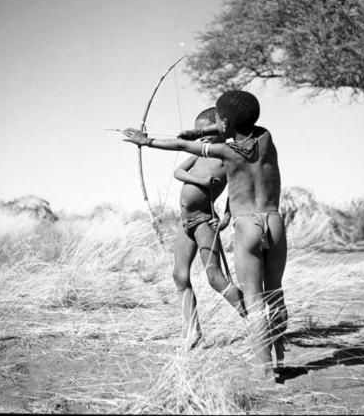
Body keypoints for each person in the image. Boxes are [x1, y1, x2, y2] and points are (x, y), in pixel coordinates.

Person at [123, 90, 288, 383]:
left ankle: (264, 370)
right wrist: (207, 129)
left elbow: (179, 144)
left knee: (253, 299)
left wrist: (145, 141)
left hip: (246, 226)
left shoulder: (225, 152)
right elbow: (238, 125)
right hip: (273, 222)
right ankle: (279, 354)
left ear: (223, 124)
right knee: (274, 292)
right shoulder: (266, 139)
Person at [171, 107, 246, 349]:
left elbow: (235, 193)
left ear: (221, 130)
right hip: (186, 223)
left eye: (206, 132)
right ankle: (193, 333)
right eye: (199, 134)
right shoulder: (199, 153)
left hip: (205, 221)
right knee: (179, 276)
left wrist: (224, 219)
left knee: (215, 278)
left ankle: (255, 320)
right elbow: (178, 171)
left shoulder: (227, 157)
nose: (201, 137)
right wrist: (200, 180)